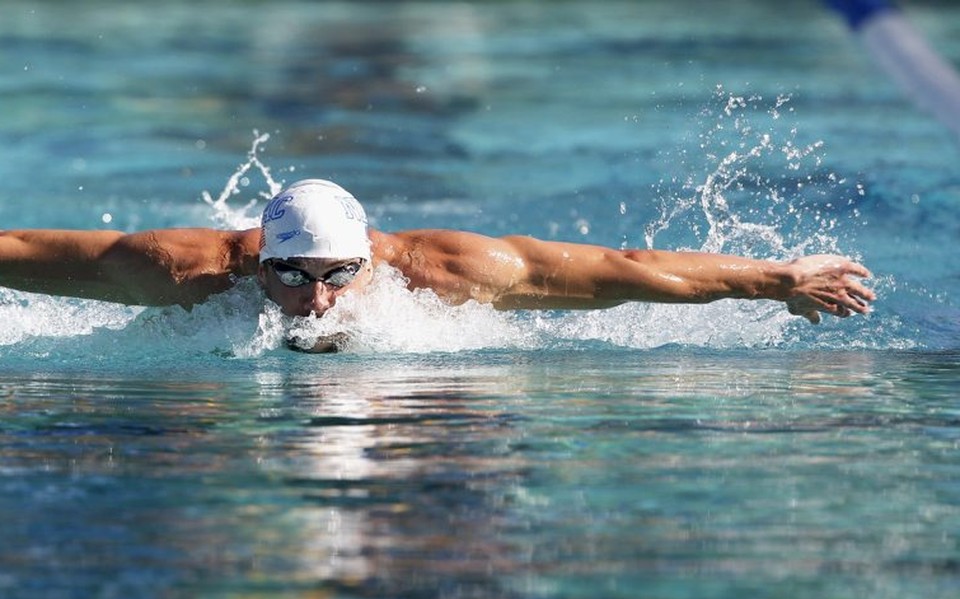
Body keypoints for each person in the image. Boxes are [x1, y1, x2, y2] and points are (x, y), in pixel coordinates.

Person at [0, 178, 874, 329]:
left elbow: (627, 270)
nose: (318, 302)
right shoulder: (181, 268)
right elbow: (22, 250)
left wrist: (774, 279)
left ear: (369, 258)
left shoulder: (449, 271)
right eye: (290, 277)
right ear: (257, 259)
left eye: (339, 274)